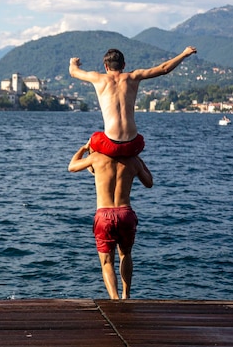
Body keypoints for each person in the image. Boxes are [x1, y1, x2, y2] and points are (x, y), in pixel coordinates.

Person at [69, 46, 197, 157]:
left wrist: (73, 62)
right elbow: (164, 69)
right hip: (134, 143)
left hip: (111, 143)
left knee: (93, 141)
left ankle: (96, 169)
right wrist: (184, 54)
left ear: (106, 66)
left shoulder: (98, 78)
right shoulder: (134, 77)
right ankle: (137, 167)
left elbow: (73, 72)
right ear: (124, 65)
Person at [68, 139, 153, 300]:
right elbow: (149, 182)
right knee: (125, 255)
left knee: (107, 262)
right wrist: (139, 161)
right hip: (125, 214)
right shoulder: (133, 161)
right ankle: (126, 295)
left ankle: (114, 299)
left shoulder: (96, 159)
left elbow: (71, 166)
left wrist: (84, 148)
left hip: (104, 215)